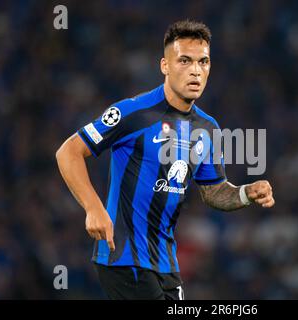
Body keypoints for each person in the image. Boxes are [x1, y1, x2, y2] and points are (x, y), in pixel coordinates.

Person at [55, 19, 275, 300]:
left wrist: (245, 193)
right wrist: (93, 207)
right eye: (185, 60)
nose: (196, 70)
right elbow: (69, 152)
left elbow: (213, 191)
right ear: (165, 66)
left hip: (166, 265)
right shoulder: (134, 112)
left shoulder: (208, 128)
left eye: (203, 62)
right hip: (124, 258)